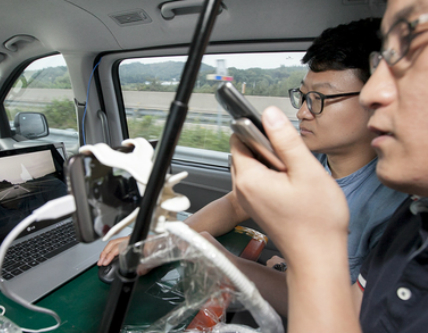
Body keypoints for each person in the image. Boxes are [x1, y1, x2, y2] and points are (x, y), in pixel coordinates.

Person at [99, 18, 407, 284]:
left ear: (378, 99)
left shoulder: (397, 210)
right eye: (302, 96)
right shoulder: (309, 157)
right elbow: (236, 205)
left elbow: (352, 314)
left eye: (320, 98)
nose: (302, 113)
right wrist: (161, 243)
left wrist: (229, 265)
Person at [228, 0, 428, 331]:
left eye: (413, 52)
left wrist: (308, 246)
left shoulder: (393, 207)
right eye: (383, 62)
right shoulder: (410, 225)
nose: (373, 93)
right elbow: (347, 315)